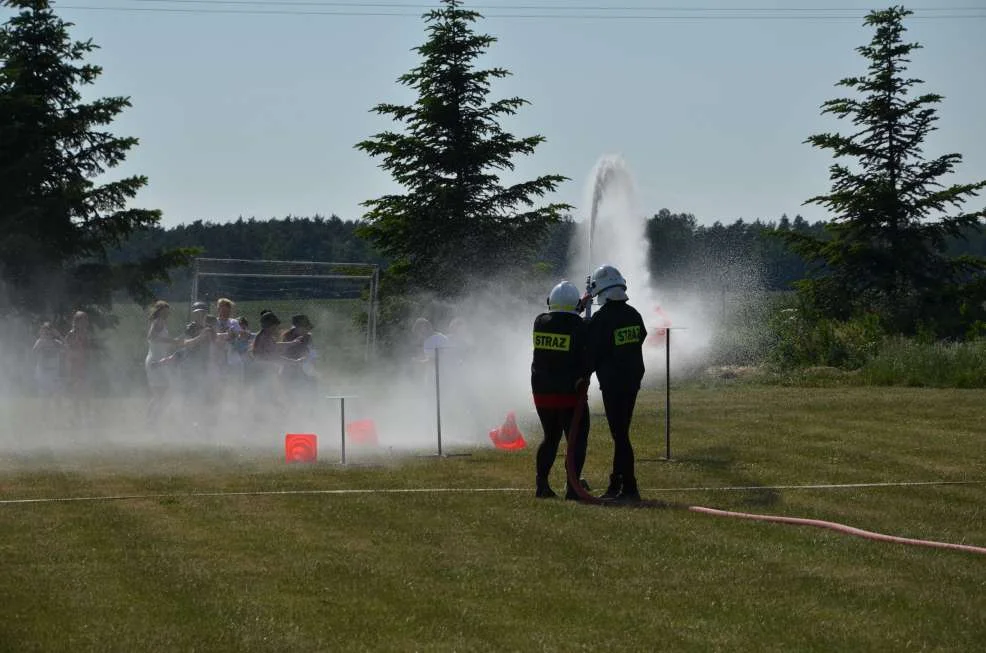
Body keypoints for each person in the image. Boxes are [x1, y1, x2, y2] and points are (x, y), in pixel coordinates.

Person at [586, 264, 647, 502]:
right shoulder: (633, 314)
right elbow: (640, 336)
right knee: (620, 432)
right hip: (632, 380)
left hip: (613, 384)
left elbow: (593, 354)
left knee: (620, 435)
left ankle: (629, 487)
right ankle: (616, 483)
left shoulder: (602, 318)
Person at [531, 281, 591, 500]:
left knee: (550, 437)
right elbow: (585, 353)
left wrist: (579, 307)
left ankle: (542, 485)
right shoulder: (581, 326)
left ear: (550, 302)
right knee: (577, 438)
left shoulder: (540, 321)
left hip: (542, 392)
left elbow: (563, 320)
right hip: (569, 393)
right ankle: (573, 487)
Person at [144, 300, 183, 425]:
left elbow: (161, 343)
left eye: (167, 310)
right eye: (164, 310)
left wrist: (173, 343)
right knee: (164, 394)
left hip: (158, 361)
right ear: (159, 311)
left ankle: (151, 420)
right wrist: (172, 341)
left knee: (160, 395)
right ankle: (152, 420)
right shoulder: (158, 321)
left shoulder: (162, 323)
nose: (167, 313)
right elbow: (151, 337)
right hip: (155, 361)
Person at [63, 310, 92, 426]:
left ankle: (84, 417)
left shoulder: (84, 333)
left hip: (83, 365)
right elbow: (67, 349)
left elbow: (86, 349)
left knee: (85, 392)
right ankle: (76, 418)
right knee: (77, 393)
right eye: (84, 319)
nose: (86, 322)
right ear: (77, 321)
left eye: (86, 319)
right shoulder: (72, 333)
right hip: (74, 367)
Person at [32, 322, 64, 418]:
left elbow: (67, 347)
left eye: (49, 332)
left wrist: (59, 336)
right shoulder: (40, 341)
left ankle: (58, 416)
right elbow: (33, 351)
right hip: (43, 372)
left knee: (58, 394)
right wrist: (41, 344)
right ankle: (44, 417)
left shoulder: (56, 342)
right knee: (44, 396)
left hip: (53, 372)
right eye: (45, 332)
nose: (46, 335)